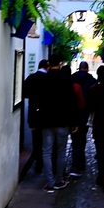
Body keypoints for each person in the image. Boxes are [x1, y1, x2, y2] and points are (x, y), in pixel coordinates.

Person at [36, 53, 80, 191]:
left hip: (46, 121)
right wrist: (74, 121)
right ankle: (59, 180)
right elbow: (72, 102)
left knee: (47, 152)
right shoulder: (66, 80)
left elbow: (38, 100)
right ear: (60, 63)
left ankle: (49, 183)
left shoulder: (43, 79)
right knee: (61, 151)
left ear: (49, 63)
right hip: (63, 121)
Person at [69, 61, 96, 176]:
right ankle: (80, 161)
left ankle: (75, 161)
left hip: (73, 112)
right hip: (85, 113)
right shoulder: (92, 81)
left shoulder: (72, 79)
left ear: (79, 68)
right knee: (83, 137)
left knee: (75, 138)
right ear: (87, 69)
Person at [22, 60, 49, 175]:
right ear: (46, 67)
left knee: (37, 141)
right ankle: (47, 165)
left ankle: (38, 165)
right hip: (47, 115)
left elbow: (24, 94)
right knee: (47, 142)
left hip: (34, 115)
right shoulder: (49, 79)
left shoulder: (31, 78)